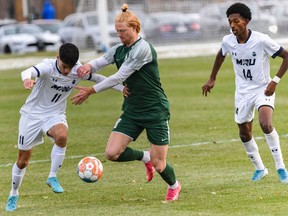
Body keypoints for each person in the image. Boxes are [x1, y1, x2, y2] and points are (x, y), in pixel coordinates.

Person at [71, 4, 181, 201]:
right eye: (117, 32)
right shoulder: (119, 50)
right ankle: (144, 157)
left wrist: (90, 90)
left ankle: (174, 185)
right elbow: (99, 63)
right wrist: (87, 66)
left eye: (123, 31)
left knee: (160, 164)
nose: (119, 35)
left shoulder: (143, 49)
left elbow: (118, 77)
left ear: (135, 28)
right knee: (112, 153)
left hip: (155, 110)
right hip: (132, 110)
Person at [5, 43, 125, 212]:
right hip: (31, 115)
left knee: (62, 136)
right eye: (63, 66)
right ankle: (14, 193)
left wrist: (122, 89)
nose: (67, 71)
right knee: (23, 160)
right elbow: (28, 71)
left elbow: (99, 79)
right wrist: (27, 80)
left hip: (54, 115)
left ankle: (52, 177)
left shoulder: (78, 70)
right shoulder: (47, 67)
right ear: (57, 57)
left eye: (70, 67)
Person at [202, 3, 288, 182]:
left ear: (246, 21)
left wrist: (275, 81)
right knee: (244, 132)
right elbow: (221, 55)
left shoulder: (261, 40)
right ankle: (260, 169)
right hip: (242, 93)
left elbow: (286, 56)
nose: (232, 25)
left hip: (263, 89)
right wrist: (212, 78)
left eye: (236, 21)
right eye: (229, 22)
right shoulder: (228, 41)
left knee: (265, 123)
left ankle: (281, 168)